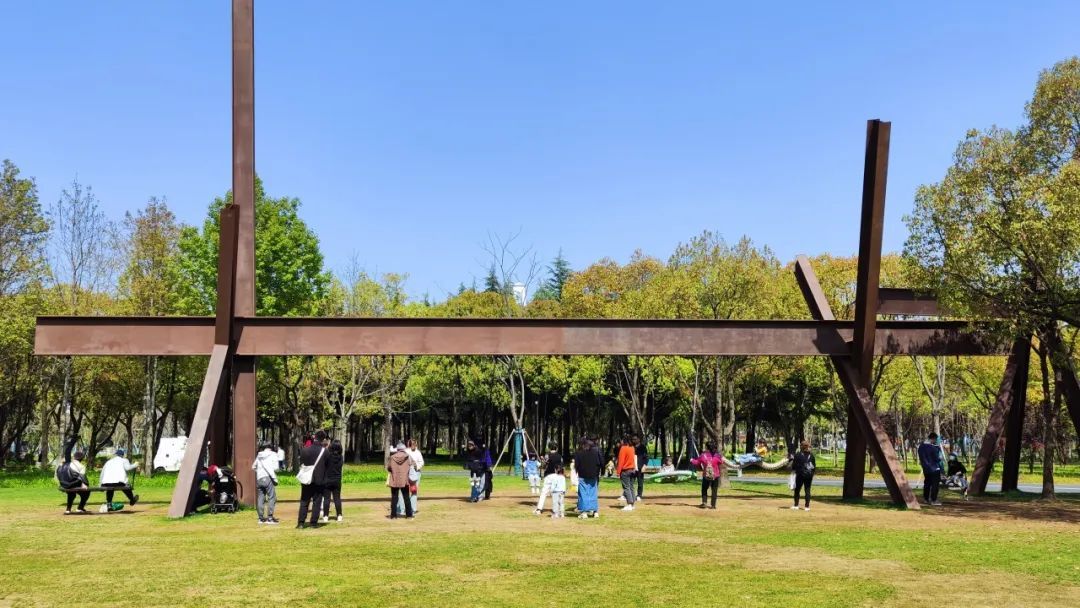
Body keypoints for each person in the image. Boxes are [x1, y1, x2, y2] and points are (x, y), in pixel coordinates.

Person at [297, 430, 328, 528]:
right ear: (323, 439)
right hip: (319, 480)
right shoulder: (325, 451)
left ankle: (301, 522)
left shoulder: (305, 450)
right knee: (317, 502)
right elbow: (328, 465)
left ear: (314, 437)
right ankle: (313, 523)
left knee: (304, 501)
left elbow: (301, 463)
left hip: (306, 479)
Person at [574, 438, 603, 518]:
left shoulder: (579, 453)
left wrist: (576, 472)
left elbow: (576, 465)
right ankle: (595, 511)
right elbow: (598, 463)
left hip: (583, 475)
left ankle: (584, 512)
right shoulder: (595, 453)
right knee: (593, 493)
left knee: (583, 494)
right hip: (593, 475)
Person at [691, 441, 725, 509]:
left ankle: (704, 503)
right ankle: (713, 505)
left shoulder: (703, 455)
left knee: (704, 489)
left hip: (706, 476)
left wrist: (691, 460)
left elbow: (697, 462)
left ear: (707, 447)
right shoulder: (717, 456)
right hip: (715, 475)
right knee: (714, 490)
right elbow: (721, 462)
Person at [252, 442, 280, 524]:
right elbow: (276, 468)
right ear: (271, 447)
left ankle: (260, 518)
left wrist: (259, 472)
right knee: (272, 497)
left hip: (259, 478)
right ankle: (270, 518)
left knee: (260, 497)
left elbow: (253, 467)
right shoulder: (273, 454)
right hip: (268, 478)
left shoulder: (259, 455)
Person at [56, 450, 90, 514]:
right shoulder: (81, 466)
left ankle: (68, 510)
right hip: (73, 484)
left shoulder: (66, 464)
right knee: (87, 492)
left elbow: (58, 472)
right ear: (82, 459)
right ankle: (80, 508)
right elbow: (83, 477)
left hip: (63, 484)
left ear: (74, 457)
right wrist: (85, 484)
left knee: (71, 493)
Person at [387, 442, 414, 519]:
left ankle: (393, 515)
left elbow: (389, 468)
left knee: (394, 498)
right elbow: (412, 466)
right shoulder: (408, 457)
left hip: (394, 480)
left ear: (397, 449)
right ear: (404, 449)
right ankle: (409, 515)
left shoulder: (392, 457)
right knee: (406, 497)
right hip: (404, 480)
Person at [918, 432, 944, 506]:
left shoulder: (921, 447)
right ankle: (933, 500)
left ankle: (926, 499)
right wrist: (940, 458)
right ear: (933, 439)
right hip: (934, 468)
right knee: (935, 485)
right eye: (935, 440)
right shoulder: (933, 448)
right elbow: (936, 459)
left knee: (927, 484)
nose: (935, 441)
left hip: (926, 469)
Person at [322, 439, 344, 523]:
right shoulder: (341, 457)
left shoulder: (328, 456)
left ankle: (325, 516)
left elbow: (325, 465)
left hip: (327, 479)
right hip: (337, 480)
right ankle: (339, 515)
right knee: (337, 498)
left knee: (327, 499)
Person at [791, 440, 815, 511]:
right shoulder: (811, 455)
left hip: (800, 475)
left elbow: (794, 466)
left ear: (801, 446)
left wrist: (794, 471)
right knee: (807, 490)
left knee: (797, 490)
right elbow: (814, 466)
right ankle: (807, 507)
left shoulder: (798, 455)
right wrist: (811, 474)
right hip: (809, 475)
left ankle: (796, 505)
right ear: (807, 447)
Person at [616, 435, 637, 511]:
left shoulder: (623, 448)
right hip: (632, 469)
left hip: (625, 470)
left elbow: (621, 461)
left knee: (626, 488)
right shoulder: (632, 448)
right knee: (631, 487)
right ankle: (632, 503)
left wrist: (618, 472)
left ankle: (629, 504)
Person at [404, 438, 425, 515]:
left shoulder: (418, 452)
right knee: (405, 491)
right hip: (406, 473)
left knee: (414, 490)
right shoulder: (406, 451)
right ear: (409, 444)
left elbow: (422, 462)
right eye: (412, 444)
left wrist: (417, 466)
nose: (413, 445)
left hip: (416, 473)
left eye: (414, 444)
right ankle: (404, 508)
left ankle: (413, 508)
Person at [632, 435, 648, 502]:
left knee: (640, 482)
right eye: (633, 439)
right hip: (632, 467)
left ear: (638, 439)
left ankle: (639, 495)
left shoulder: (643, 447)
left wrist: (644, 465)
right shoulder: (632, 447)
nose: (634, 440)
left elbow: (646, 457)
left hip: (640, 467)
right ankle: (630, 495)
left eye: (635, 439)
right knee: (631, 482)